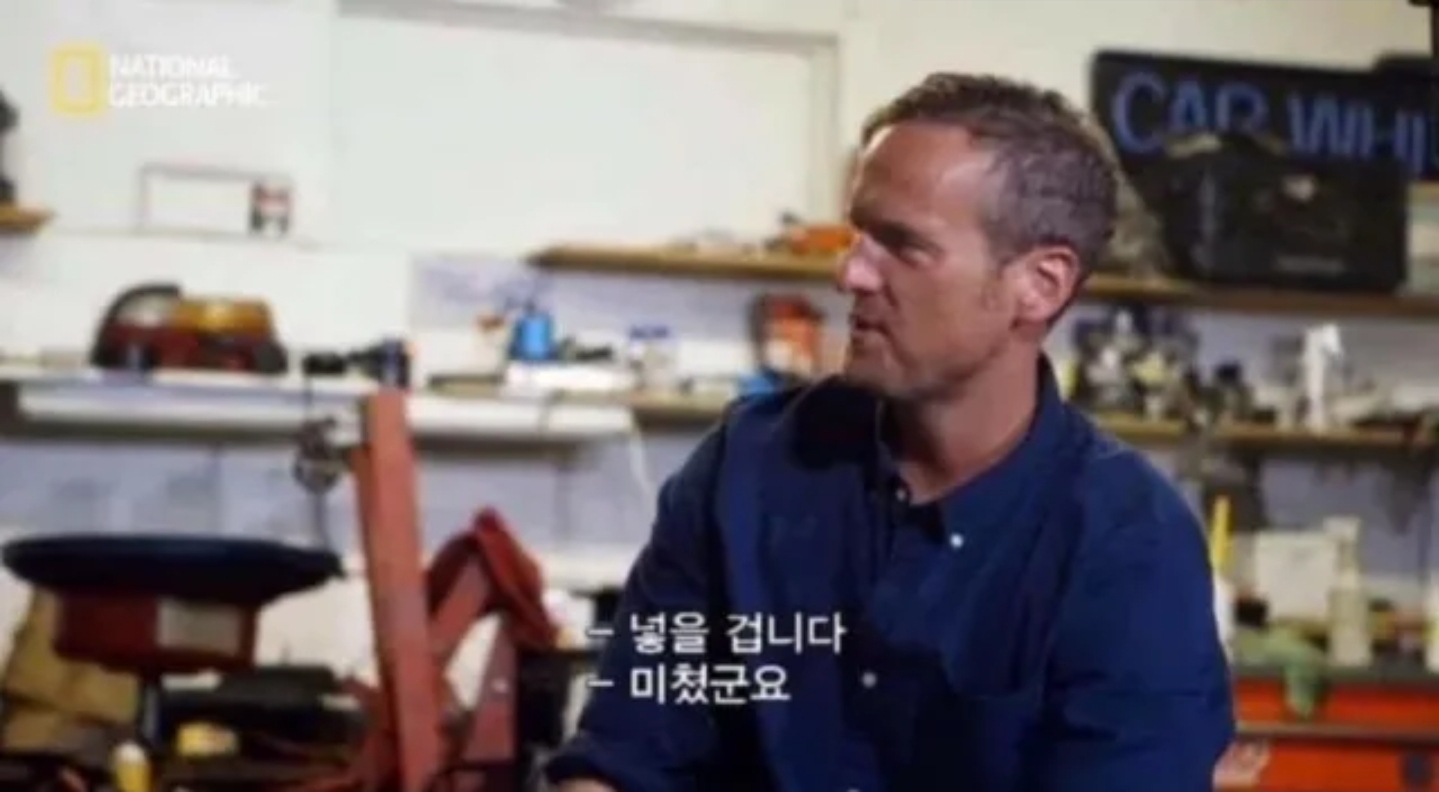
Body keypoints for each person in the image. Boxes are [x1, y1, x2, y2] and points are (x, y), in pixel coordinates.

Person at [545, 72, 1234, 792]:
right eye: (858, 236)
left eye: (903, 246)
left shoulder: (1129, 548)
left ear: (1040, 285)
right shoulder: (745, 469)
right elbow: (626, 753)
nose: (850, 274)